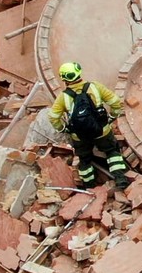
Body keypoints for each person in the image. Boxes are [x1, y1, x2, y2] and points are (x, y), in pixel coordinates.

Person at [47, 61, 131, 189]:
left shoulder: (63, 97)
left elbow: (53, 117)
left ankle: (89, 186)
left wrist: (63, 128)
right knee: (112, 151)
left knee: (84, 159)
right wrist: (112, 116)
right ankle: (120, 178)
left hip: (79, 136)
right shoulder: (95, 87)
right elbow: (115, 102)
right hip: (101, 131)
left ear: (64, 78)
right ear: (79, 73)